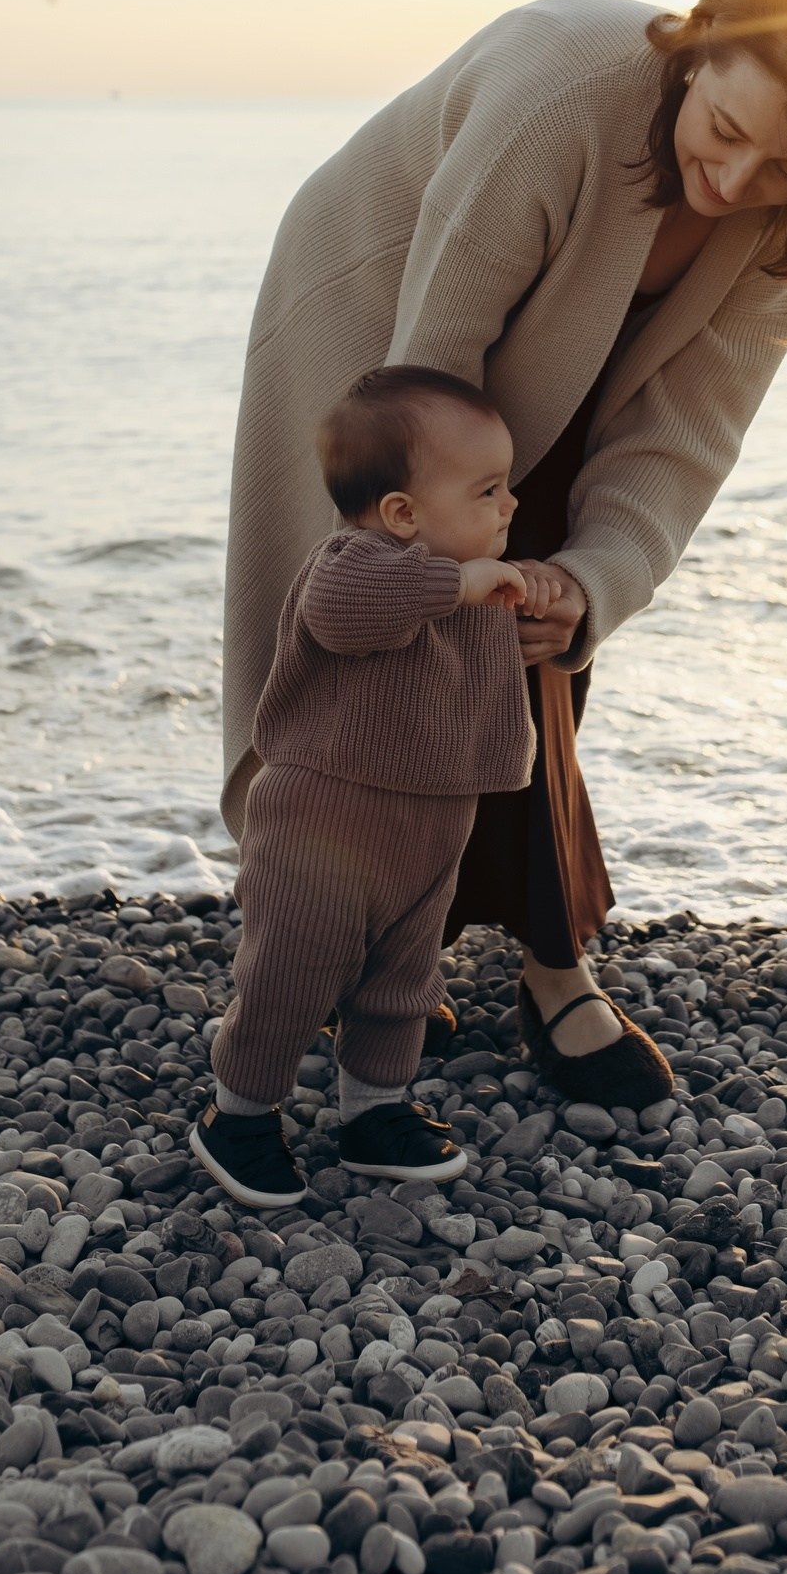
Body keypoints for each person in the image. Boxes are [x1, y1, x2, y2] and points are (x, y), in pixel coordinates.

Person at [222, 0, 787, 1111]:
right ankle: (345, 931)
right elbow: (431, 367)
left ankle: (548, 962)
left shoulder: (781, 220)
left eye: (783, 168)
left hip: (557, 368)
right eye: (725, 127)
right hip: (379, 317)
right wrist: (453, 572)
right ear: (703, 37)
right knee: (372, 621)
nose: (732, 182)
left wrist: (591, 582)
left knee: (539, 626)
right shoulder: (563, 93)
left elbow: (684, 438)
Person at [194, 367, 552, 1210]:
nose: (509, 505)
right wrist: (457, 584)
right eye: (488, 490)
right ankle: (239, 1113)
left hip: (429, 825)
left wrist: (537, 610)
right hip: (321, 815)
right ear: (402, 514)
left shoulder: (472, 578)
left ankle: (375, 1110)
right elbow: (343, 614)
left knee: (403, 979)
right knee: (291, 970)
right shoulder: (357, 564)